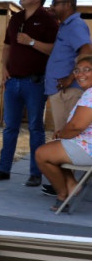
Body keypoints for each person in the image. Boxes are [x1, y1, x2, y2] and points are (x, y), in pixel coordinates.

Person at [0, 0, 59, 186]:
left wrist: (30, 42)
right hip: (13, 82)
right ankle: (3, 169)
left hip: (35, 83)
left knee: (36, 128)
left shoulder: (48, 20)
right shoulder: (16, 18)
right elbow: (7, 45)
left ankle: (36, 173)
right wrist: (4, 70)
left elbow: (54, 49)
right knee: (10, 127)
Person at [35, 53, 92, 211]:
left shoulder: (91, 94)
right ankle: (72, 184)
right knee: (54, 148)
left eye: (87, 70)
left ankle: (63, 194)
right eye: (77, 70)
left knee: (42, 154)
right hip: (86, 143)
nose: (80, 74)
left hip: (88, 148)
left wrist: (61, 134)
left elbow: (76, 126)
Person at [44, 0, 92, 144]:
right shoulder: (65, 26)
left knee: (66, 139)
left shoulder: (75, 25)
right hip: (62, 91)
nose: (52, 6)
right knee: (63, 139)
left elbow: (86, 51)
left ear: (68, 4)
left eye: (55, 3)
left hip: (69, 91)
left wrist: (70, 78)